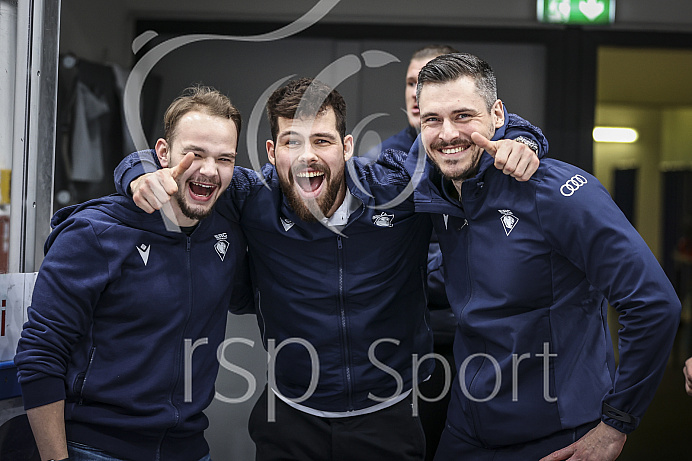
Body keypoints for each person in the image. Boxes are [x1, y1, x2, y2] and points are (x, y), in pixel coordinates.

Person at [115, 77, 544, 460]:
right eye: (292, 141)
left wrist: (524, 139)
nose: (307, 156)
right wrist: (137, 172)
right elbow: (182, 164)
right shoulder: (252, 196)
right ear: (272, 152)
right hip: (289, 417)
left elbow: (460, 136)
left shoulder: (397, 190)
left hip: (390, 417)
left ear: (347, 146)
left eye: (321, 140)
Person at [407, 52, 682, 461]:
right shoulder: (434, 192)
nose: (447, 133)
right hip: (466, 431)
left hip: (557, 436)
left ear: (497, 114)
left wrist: (616, 423)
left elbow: (654, 304)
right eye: (433, 119)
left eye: (463, 115)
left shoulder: (556, 192)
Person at [14, 86, 250, 461]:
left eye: (225, 158)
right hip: (93, 448)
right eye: (195, 153)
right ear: (161, 153)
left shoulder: (227, 234)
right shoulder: (95, 233)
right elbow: (41, 354)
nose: (209, 169)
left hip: (187, 449)